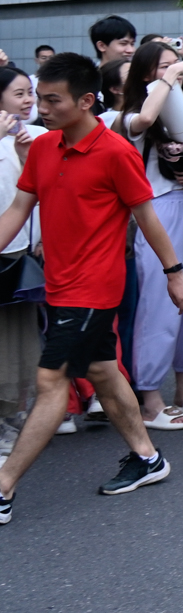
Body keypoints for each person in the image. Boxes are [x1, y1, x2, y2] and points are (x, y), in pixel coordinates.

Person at [0, 54, 183, 525]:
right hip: (59, 283)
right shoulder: (45, 148)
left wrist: (174, 272)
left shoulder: (115, 151)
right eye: (38, 98)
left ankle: (3, 487)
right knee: (105, 371)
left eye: (52, 100)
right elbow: (18, 210)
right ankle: (148, 457)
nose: (41, 108)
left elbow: (146, 216)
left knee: (52, 380)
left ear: (86, 101)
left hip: (94, 286)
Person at [102, 41, 183, 430]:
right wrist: (168, 79)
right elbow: (146, 120)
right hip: (160, 209)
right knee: (160, 303)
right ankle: (150, 397)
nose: (180, 70)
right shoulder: (126, 116)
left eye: (179, 64)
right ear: (147, 73)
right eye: (167, 66)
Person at [0, 67, 46, 450]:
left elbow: (30, 201)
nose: (29, 100)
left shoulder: (33, 137)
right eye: (19, 94)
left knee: (19, 342)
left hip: (18, 256)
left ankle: (14, 417)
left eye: (30, 92)